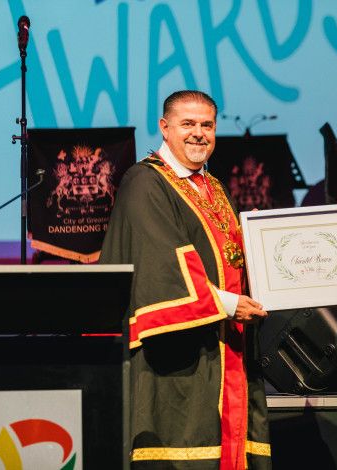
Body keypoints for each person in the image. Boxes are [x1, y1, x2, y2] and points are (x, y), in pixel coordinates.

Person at [100, 90, 271, 470]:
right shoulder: (145, 182)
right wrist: (228, 304)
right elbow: (162, 264)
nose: (199, 134)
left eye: (207, 125)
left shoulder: (213, 188)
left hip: (225, 349)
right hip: (177, 355)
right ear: (164, 127)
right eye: (188, 124)